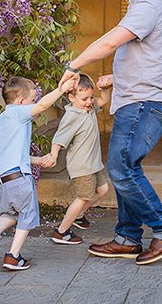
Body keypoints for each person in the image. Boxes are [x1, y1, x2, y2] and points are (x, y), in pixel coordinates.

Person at [58, 0, 162, 265]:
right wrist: (119, 77)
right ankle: (128, 237)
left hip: (143, 103)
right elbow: (156, 57)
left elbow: (110, 42)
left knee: (120, 168)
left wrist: (74, 65)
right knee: (128, 166)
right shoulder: (151, 8)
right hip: (138, 98)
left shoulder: (147, 5)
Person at [0, 75, 77, 270]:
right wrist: (61, 89)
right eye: (32, 99)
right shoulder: (17, 112)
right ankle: (13, 256)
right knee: (28, 213)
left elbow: (14, 153)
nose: (34, 104)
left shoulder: (2, 120)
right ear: (21, 101)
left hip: (0, 179)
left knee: (11, 213)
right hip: (17, 176)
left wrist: (38, 161)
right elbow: (42, 106)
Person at [40, 73, 111, 245]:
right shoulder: (72, 116)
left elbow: (103, 101)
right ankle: (61, 231)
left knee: (103, 190)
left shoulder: (89, 108)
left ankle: (78, 215)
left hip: (93, 164)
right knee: (83, 197)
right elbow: (59, 137)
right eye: (84, 98)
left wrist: (106, 90)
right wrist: (54, 154)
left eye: (91, 97)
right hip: (82, 166)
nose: (89, 102)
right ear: (71, 97)